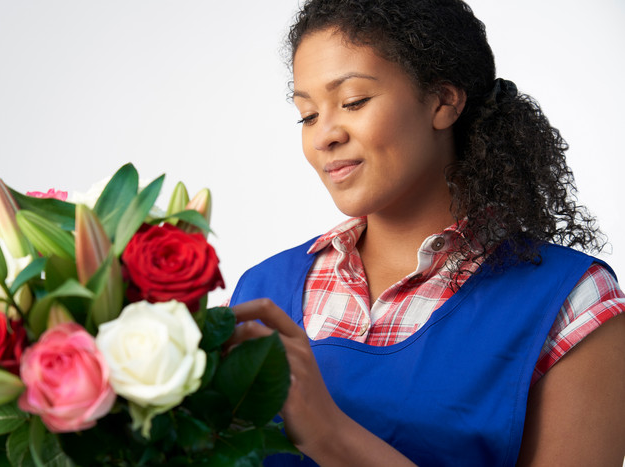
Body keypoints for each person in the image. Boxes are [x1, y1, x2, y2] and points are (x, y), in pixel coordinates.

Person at [226, 0, 625, 465]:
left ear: (442, 101)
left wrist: (328, 433)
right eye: (308, 114)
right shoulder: (260, 290)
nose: (324, 136)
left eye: (353, 101)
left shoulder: (572, 306)